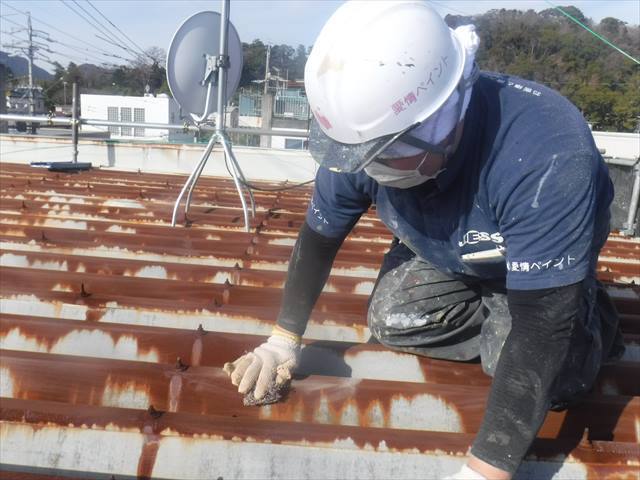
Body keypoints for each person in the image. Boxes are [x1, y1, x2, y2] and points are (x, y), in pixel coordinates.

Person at [223, 1, 624, 478]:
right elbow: (319, 238)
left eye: (386, 159)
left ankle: (590, 312)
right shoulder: (362, 136)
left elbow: (541, 327)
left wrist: (484, 468)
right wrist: (282, 339)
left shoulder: (545, 152)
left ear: (440, 119)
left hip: (534, 261)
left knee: (546, 373)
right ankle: (496, 312)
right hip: (449, 247)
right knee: (392, 319)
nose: (372, 172)